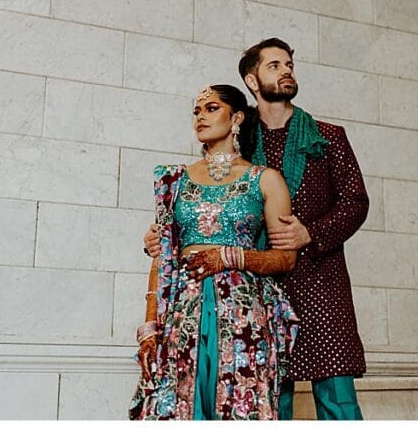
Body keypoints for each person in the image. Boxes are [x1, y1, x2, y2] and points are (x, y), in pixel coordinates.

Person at [145, 38, 369, 420]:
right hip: (257, 288)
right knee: (265, 396)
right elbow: (213, 199)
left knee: (337, 395)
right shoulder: (241, 137)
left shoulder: (328, 137)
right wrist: (166, 236)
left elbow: (355, 203)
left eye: (289, 65)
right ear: (252, 80)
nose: (286, 71)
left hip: (321, 281)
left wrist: (310, 233)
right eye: (274, 66)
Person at [129, 84, 299, 420]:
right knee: (176, 404)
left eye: (211, 108)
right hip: (184, 307)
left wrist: (229, 257)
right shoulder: (173, 181)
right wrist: (150, 326)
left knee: (239, 406)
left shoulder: (265, 179)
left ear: (236, 117)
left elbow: (285, 258)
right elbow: (162, 255)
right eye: (196, 111)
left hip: (242, 314)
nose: (200, 117)